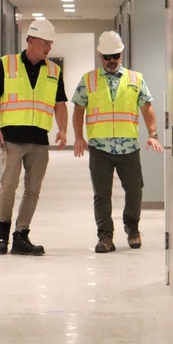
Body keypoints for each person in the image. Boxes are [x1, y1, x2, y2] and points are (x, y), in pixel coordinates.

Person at [72, 30, 163, 253]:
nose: (112, 61)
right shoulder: (88, 80)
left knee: (135, 190)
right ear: (100, 56)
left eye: (115, 56)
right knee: (101, 194)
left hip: (128, 147)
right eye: (107, 57)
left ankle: (132, 228)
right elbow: (78, 108)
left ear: (121, 53)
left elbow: (147, 107)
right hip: (99, 148)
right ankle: (105, 237)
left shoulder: (135, 78)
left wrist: (153, 134)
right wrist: (78, 137)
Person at [0, 18, 68, 256]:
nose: (48, 48)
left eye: (51, 43)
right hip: (12, 137)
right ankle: (2, 232)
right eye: (45, 42)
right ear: (31, 40)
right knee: (8, 185)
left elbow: (60, 103)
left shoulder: (54, 70)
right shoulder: (7, 64)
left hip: (39, 140)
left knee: (33, 189)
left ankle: (21, 235)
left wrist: (62, 129)